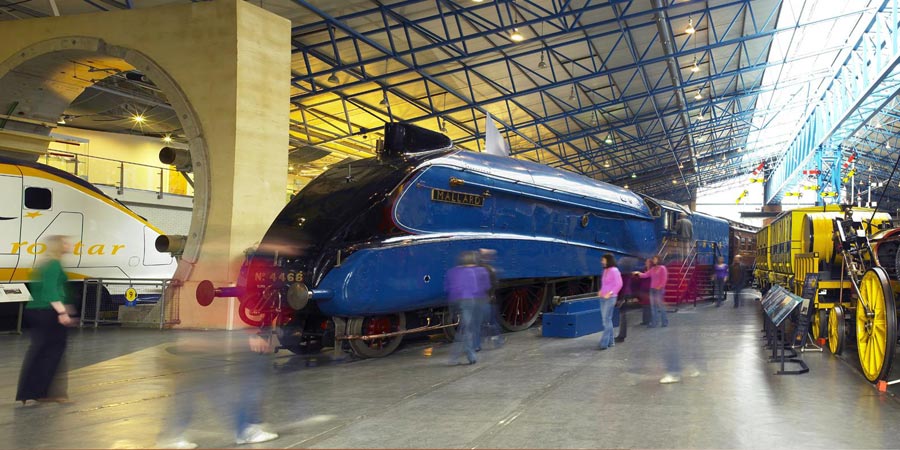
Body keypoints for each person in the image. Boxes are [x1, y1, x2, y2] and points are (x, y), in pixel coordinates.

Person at [157, 332, 279, 448]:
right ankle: (244, 431)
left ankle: (172, 436)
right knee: (215, 390)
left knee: (196, 389)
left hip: (200, 346)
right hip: (202, 346)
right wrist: (248, 338)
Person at [16, 235, 76, 405]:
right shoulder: (54, 264)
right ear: (58, 246)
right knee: (53, 352)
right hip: (48, 312)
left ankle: (31, 391)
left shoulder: (42, 264)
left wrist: (66, 306)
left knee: (39, 351)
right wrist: (62, 312)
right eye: (65, 243)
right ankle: (44, 392)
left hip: (35, 310)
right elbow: (50, 291)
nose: (69, 245)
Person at [445, 251, 490, 364]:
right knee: (468, 329)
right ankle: (469, 355)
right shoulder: (471, 271)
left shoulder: (452, 271)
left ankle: (458, 356)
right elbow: (475, 288)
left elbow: (447, 287)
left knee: (464, 328)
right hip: (468, 301)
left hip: (454, 301)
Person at [476, 249, 504, 349]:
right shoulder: (489, 269)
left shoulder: (484, 269)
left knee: (486, 322)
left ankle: (479, 344)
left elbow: (492, 285)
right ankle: (496, 340)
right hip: (487, 299)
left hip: (486, 300)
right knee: (490, 322)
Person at [635, 256, 668, 328]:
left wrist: (660, 286)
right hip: (652, 290)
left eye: (655, 259)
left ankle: (665, 322)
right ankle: (654, 322)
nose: (654, 260)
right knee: (653, 307)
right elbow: (646, 275)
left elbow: (664, 278)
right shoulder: (652, 269)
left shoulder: (662, 268)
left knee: (661, 306)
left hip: (659, 290)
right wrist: (638, 273)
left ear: (659, 260)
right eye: (653, 259)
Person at [598, 253, 622, 350]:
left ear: (608, 260)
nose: (602, 261)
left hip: (610, 298)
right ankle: (611, 341)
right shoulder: (605, 270)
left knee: (606, 320)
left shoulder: (614, 270)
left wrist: (610, 293)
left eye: (603, 260)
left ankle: (604, 343)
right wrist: (601, 291)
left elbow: (619, 284)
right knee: (607, 319)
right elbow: (605, 284)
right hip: (603, 298)